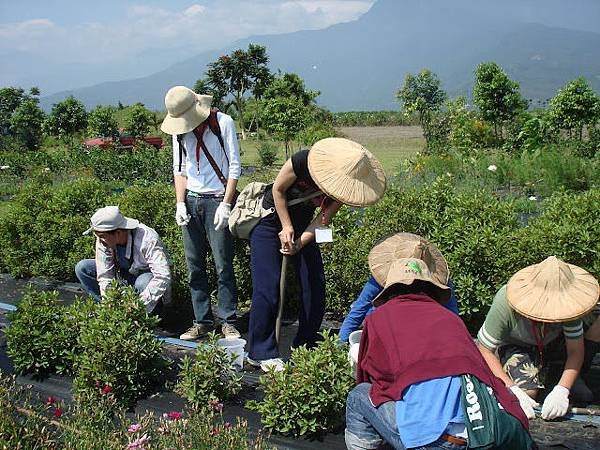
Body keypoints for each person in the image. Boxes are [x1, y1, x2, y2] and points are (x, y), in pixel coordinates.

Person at [346, 257, 534, 450]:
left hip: (436, 439)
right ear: (432, 288)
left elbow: (376, 379)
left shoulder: (379, 317)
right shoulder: (451, 319)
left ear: (390, 290)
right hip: (486, 433)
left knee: (359, 396)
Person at [247, 137, 386, 372]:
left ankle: (305, 346)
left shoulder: (345, 187)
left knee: (315, 284)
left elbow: (322, 221)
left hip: (304, 226)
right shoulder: (303, 161)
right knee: (268, 286)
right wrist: (286, 227)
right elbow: (278, 190)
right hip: (271, 219)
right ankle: (260, 352)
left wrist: (298, 244)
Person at [160, 86, 241, 340]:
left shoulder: (222, 123)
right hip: (191, 201)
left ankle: (228, 320)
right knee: (194, 266)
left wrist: (226, 204)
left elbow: (235, 166)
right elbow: (179, 168)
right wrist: (180, 203)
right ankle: (202, 321)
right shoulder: (179, 133)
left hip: (217, 200)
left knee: (223, 264)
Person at [476, 256, 599, 421]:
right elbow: (484, 349)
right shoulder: (505, 302)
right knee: (529, 393)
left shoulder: (571, 305)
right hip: (518, 345)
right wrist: (512, 388)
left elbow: (575, 350)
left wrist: (562, 390)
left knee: (573, 387)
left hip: (554, 343)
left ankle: (565, 378)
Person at [339, 232, 458, 344]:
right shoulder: (442, 284)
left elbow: (361, 306)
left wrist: (342, 342)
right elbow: (452, 315)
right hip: (421, 332)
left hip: (391, 330)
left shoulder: (382, 278)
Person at [75, 206, 171, 314]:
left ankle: (146, 317)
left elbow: (163, 276)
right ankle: (111, 312)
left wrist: (137, 307)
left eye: (102, 236)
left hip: (145, 278)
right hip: (123, 276)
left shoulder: (147, 238)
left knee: (143, 282)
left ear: (118, 233)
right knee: (83, 268)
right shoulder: (103, 240)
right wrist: (109, 302)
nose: (100, 241)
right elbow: (105, 275)